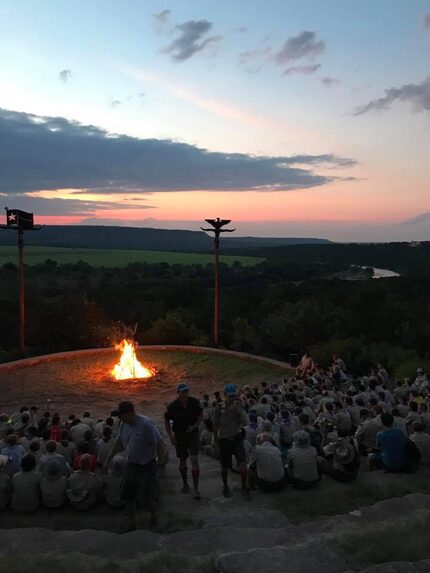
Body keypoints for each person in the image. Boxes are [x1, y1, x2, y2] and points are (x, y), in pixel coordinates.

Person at [105, 401, 161, 531]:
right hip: (131, 463)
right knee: (128, 494)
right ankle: (130, 521)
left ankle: (153, 515)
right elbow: (119, 442)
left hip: (147, 465)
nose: (120, 418)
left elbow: (158, 443)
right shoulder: (123, 424)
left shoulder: (146, 424)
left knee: (147, 496)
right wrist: (109, 458)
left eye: (121, 415)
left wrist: (160, 462)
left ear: (130, 413)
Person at [164, 383, 203, 500]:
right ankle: (185, 483)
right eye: (182, 392)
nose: (185, 394)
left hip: (192, 433)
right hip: (180, 435)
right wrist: (171, 436)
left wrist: (195, 426)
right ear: (178, 393)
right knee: (182, 460)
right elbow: (166, 421)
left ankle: (196, 488)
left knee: (194, 459)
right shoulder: (172, 406)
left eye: (186, 391)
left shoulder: (194, 402)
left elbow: (200, 415)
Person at [213, 384, 250, 499]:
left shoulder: (239, 407)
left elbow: (245, 423)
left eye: (234, 396)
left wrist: (238, 412)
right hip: (224, 438)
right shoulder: (219, 408)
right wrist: (216, 441)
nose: (232, 398)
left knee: (243, 464)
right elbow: (215, 425)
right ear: (225, 396)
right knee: (224, 466)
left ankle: (244, 487)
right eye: (230, 396)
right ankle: (225, 486)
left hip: (236, 436)